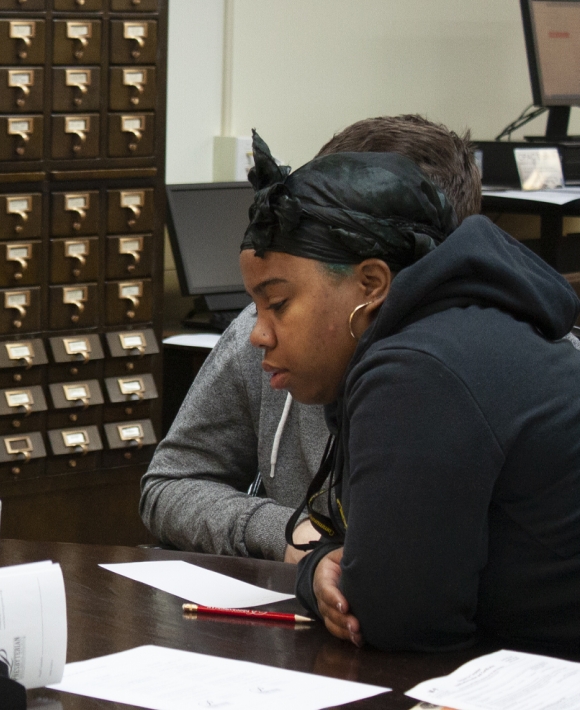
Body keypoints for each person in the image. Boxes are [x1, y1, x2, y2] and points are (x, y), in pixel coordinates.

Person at [238, 131, 580, 652]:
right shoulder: (467, 328)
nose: (258, 334)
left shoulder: (416, 373)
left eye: (278, 303)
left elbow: (392, 621)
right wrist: (324, 567)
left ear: (372, 284)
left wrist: (314, 578)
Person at [140, 115, 482, 563]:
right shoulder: (261, 332)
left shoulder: (489, 379)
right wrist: (288, 532)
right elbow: (171, 485)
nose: (263, 330)